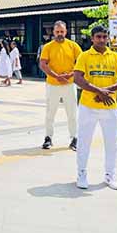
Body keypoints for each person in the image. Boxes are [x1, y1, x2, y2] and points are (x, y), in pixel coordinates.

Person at [73, 26, 117, 190]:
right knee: (84, 141)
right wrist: (98, 91)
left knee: (112, 143)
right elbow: (78, 78)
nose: (102, 40)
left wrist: (107, 91)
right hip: (87, 107)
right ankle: (81, 173)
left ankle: (110, 175)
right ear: (92, 38)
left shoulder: (116, 57)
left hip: (110, 107)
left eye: (105, 37)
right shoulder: (84, 56)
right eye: (98, 37)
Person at [40, 20, 82, 151]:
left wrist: (70, 74)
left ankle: (74, 138)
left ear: (66, 32)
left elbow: (81, 62)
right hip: (53, 84)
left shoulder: (73, 46)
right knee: (50, 112)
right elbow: (43, 64)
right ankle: (48, 137)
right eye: (57, 32)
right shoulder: (48, 47)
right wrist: (56, 76)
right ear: (53, 32)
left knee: (72, 112)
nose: (59, 34)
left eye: (62, 31)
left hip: (69, 84)